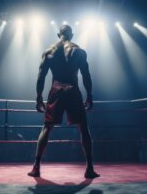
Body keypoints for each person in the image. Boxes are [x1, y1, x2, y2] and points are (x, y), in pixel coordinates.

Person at [28, 24, 100, 179]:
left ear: (58, 34)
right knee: (84, 128)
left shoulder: (49, 51)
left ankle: (36, 167)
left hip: (56, 89)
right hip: (73, 89)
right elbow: (86, 75)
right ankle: (89, 168)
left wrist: (39, 97)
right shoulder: (79, 51)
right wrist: (90, 96)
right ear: (72, 35)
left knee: (46, 128)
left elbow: (41, 76)